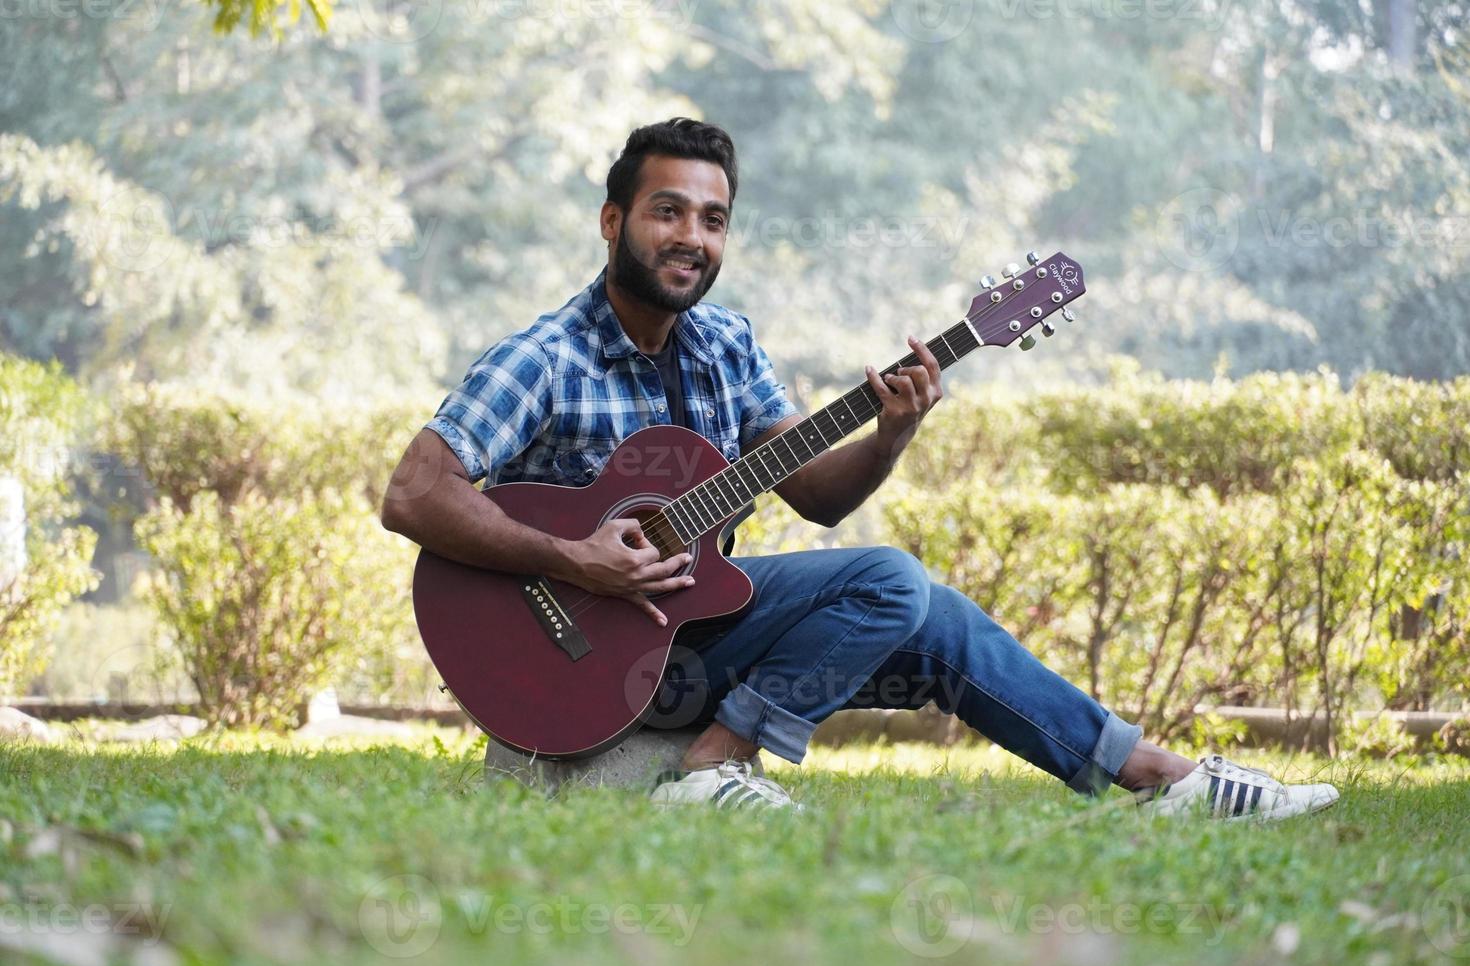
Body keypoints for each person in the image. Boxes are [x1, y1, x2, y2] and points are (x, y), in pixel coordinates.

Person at [380, 118, 1338, 819]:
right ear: (612, 220)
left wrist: (889, 435)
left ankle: (1157, 782)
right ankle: (713, 770)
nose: (691, 237)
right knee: (894, 583)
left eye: (712, 220)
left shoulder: (725, 345)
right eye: (667, 211)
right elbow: (413, 493)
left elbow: (813, 492)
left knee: (928, 623)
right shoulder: (543, 356)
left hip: (694, 635)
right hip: (585, 659)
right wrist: (575, 560)